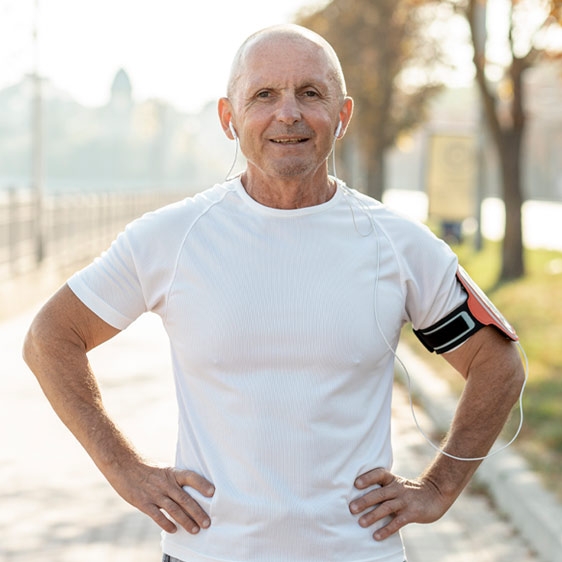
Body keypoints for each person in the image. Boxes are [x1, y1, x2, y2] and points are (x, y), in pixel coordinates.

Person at [23, 24, 525, 562]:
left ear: (343, 116)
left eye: (310, 93)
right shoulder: (172, 237)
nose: (288, 113)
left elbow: (499, 364)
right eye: (264, 95)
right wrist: (124, 470)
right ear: (228, 118)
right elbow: (50, 338)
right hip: (207, 553)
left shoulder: (399, 245)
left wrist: (439, 488)